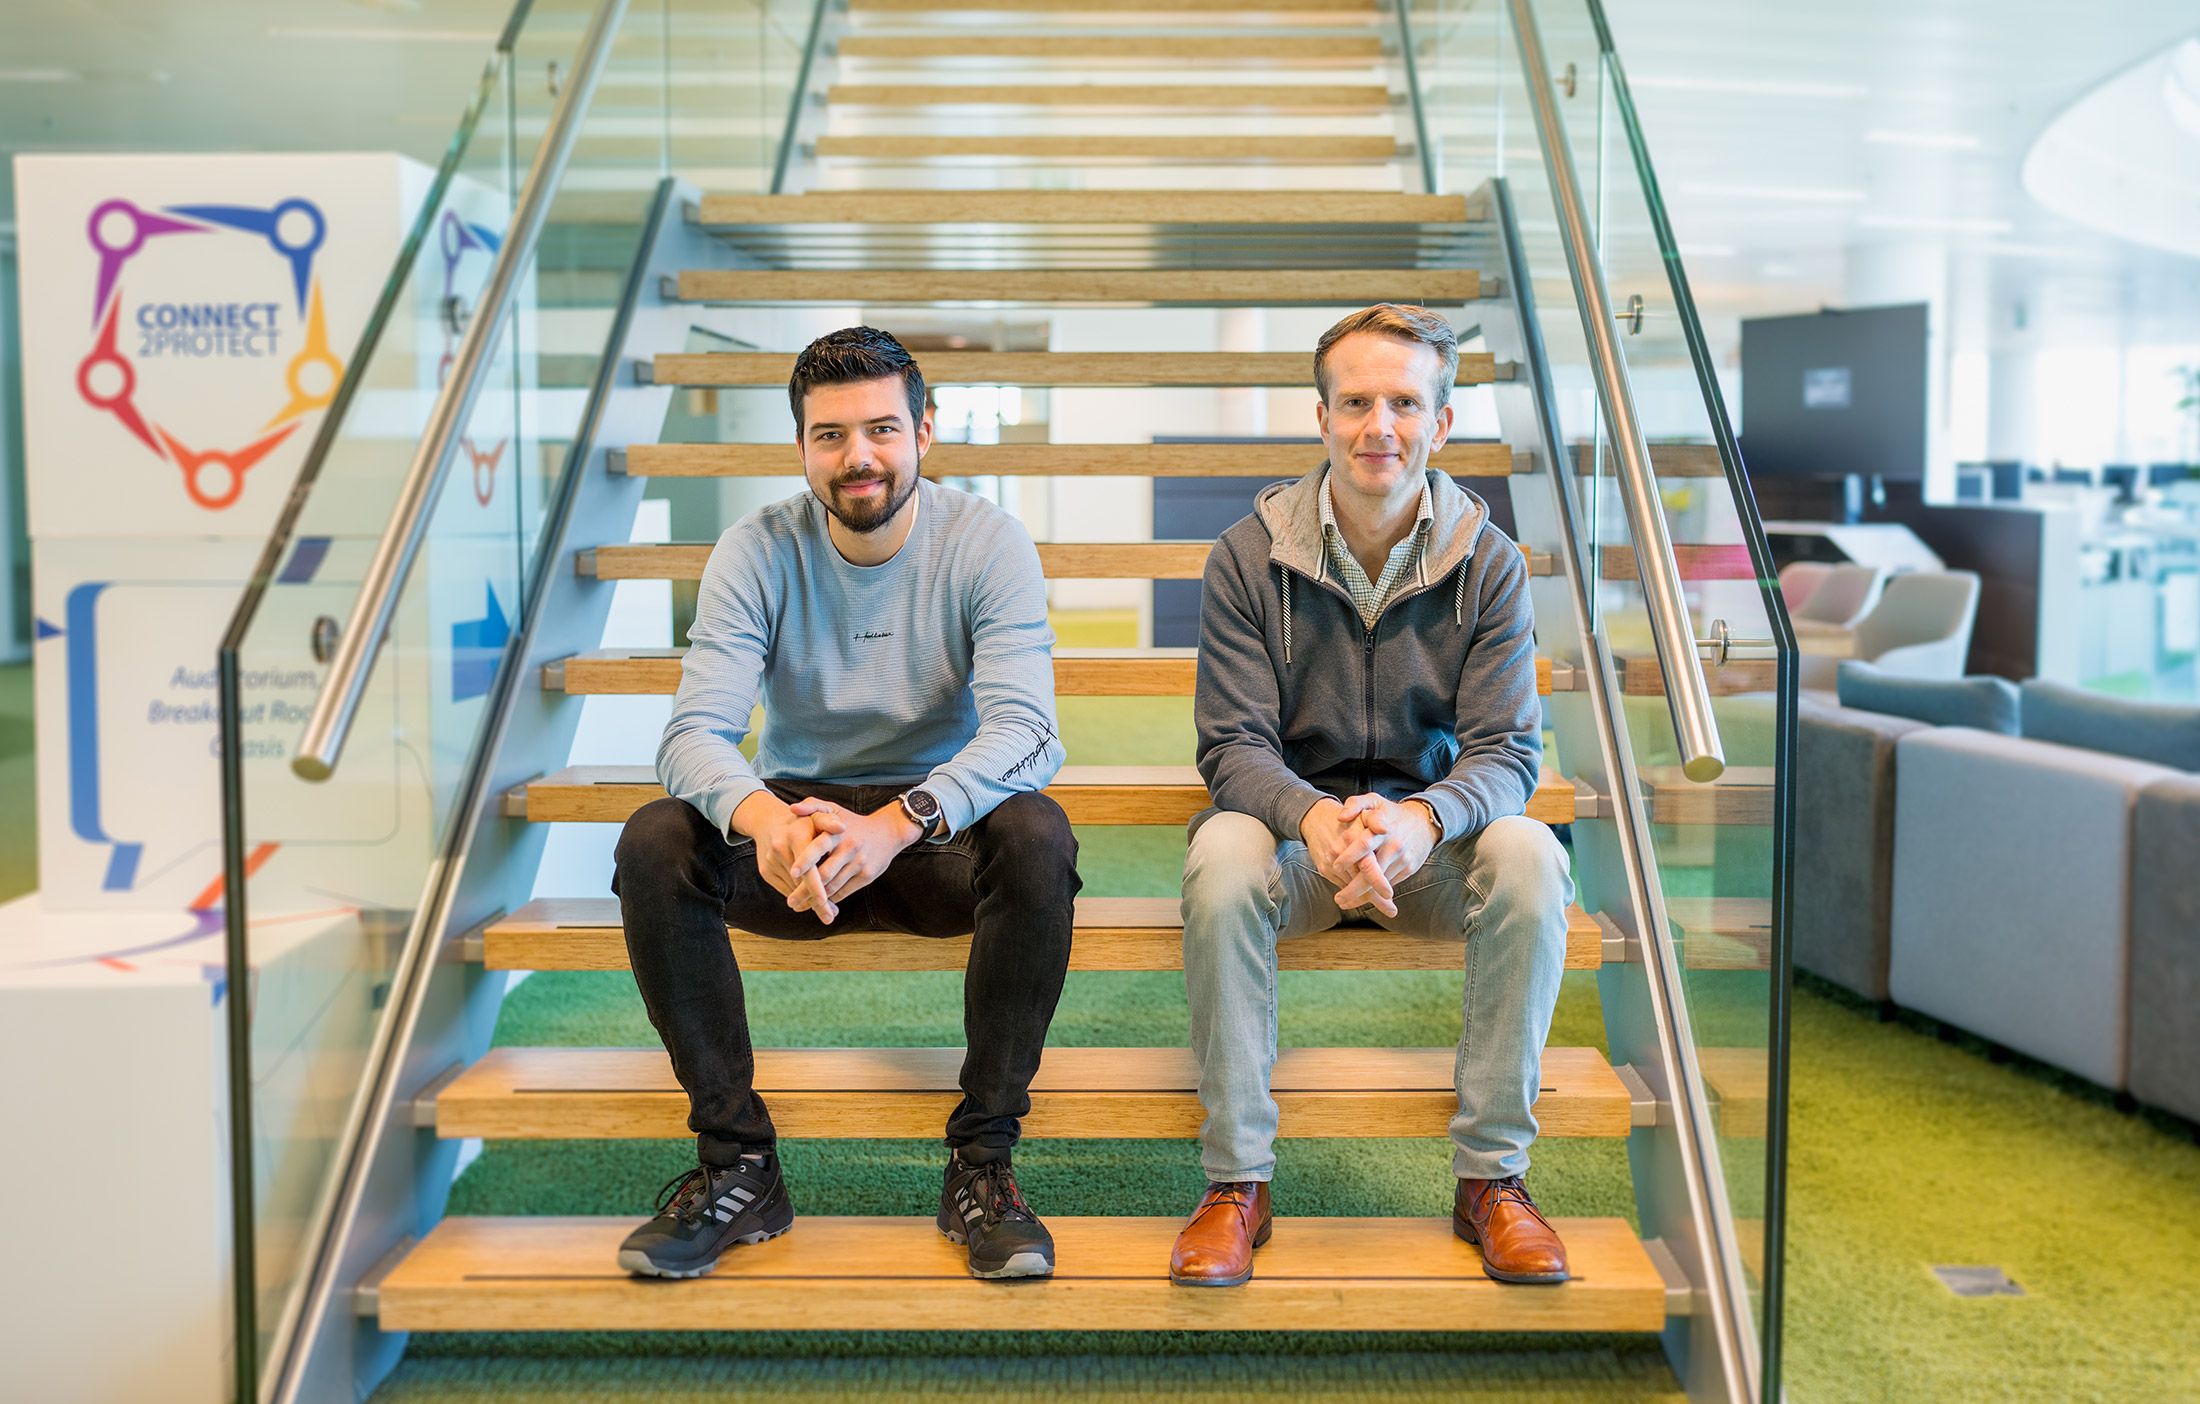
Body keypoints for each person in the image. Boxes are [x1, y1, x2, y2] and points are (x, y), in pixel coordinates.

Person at [610, 326, 1077, 1282]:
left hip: (931, 839)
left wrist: (896, 824)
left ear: (924, 433)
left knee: (1037, 832)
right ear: (802, 449)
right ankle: (738, 1164)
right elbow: (692, 736)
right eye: (831, 435)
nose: (857, 456)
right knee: (656, 840)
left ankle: (982, 1164)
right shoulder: (757, 549)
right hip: (798, 843)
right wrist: (772, 824)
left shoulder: (986, 542)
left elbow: (1031, 732)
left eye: (880, 430)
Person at [1170, 303, 1576, 1288]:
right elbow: (1230, 745)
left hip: (1425, 847)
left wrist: (1419, 820)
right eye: (1354, 402)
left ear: (1440, 425)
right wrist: (1318, 820)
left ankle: (1492, 1178)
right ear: (1321, 417)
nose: (1376, 426)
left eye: (1403, 402)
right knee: (1220, 858)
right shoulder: (1245, 557)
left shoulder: (1487, 563)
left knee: (1531, 856)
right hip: (1298, 842)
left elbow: (1508, 750)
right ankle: (1237, 1182)